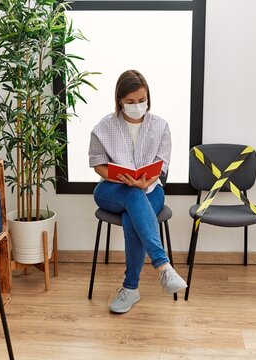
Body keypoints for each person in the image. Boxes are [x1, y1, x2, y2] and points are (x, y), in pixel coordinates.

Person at [89, 69, 187, 313]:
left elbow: (162, 164)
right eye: (131, 102)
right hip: (112, 190)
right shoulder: (104, 127)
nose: (137, 106)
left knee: (133, 210)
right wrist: (118, 177)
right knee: (132, 196)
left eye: (142, 101)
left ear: (148, 98)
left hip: (150, 189)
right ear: (120, 100)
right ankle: (163, 266)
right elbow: (97, 164)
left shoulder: (161, 126)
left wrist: (146, 181)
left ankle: (131, 289)